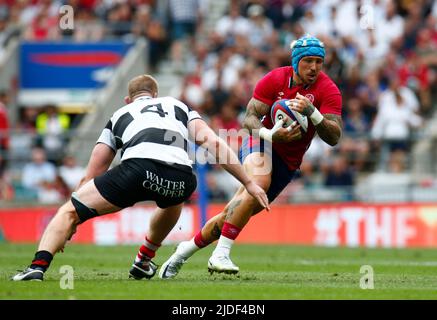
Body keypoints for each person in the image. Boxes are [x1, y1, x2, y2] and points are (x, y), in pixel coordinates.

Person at [12, 74, 269, 281]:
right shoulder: (178, 106)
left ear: (128, 99)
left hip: (136, 171)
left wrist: (74, 219)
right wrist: (248, 183)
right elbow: (213, 142)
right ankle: (144, 260)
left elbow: (93, 172)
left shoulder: (119, 115)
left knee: (68, 210)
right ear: (155, 95)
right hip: (182, 178)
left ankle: (37, 267)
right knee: (173, 200)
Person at [159, 35, 343, 278]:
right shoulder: (275, 79)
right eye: (308, 61)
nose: (314, 67)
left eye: (319, 62)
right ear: (297, 60)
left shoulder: (328, 89)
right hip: (261, 141)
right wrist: (270, 135)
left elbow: (334, 136)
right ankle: (220, 254)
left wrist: (313, 113)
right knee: (259, 184)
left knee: (232, 214)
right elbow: (249, 119)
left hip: (287, 163)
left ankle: (182, 252)